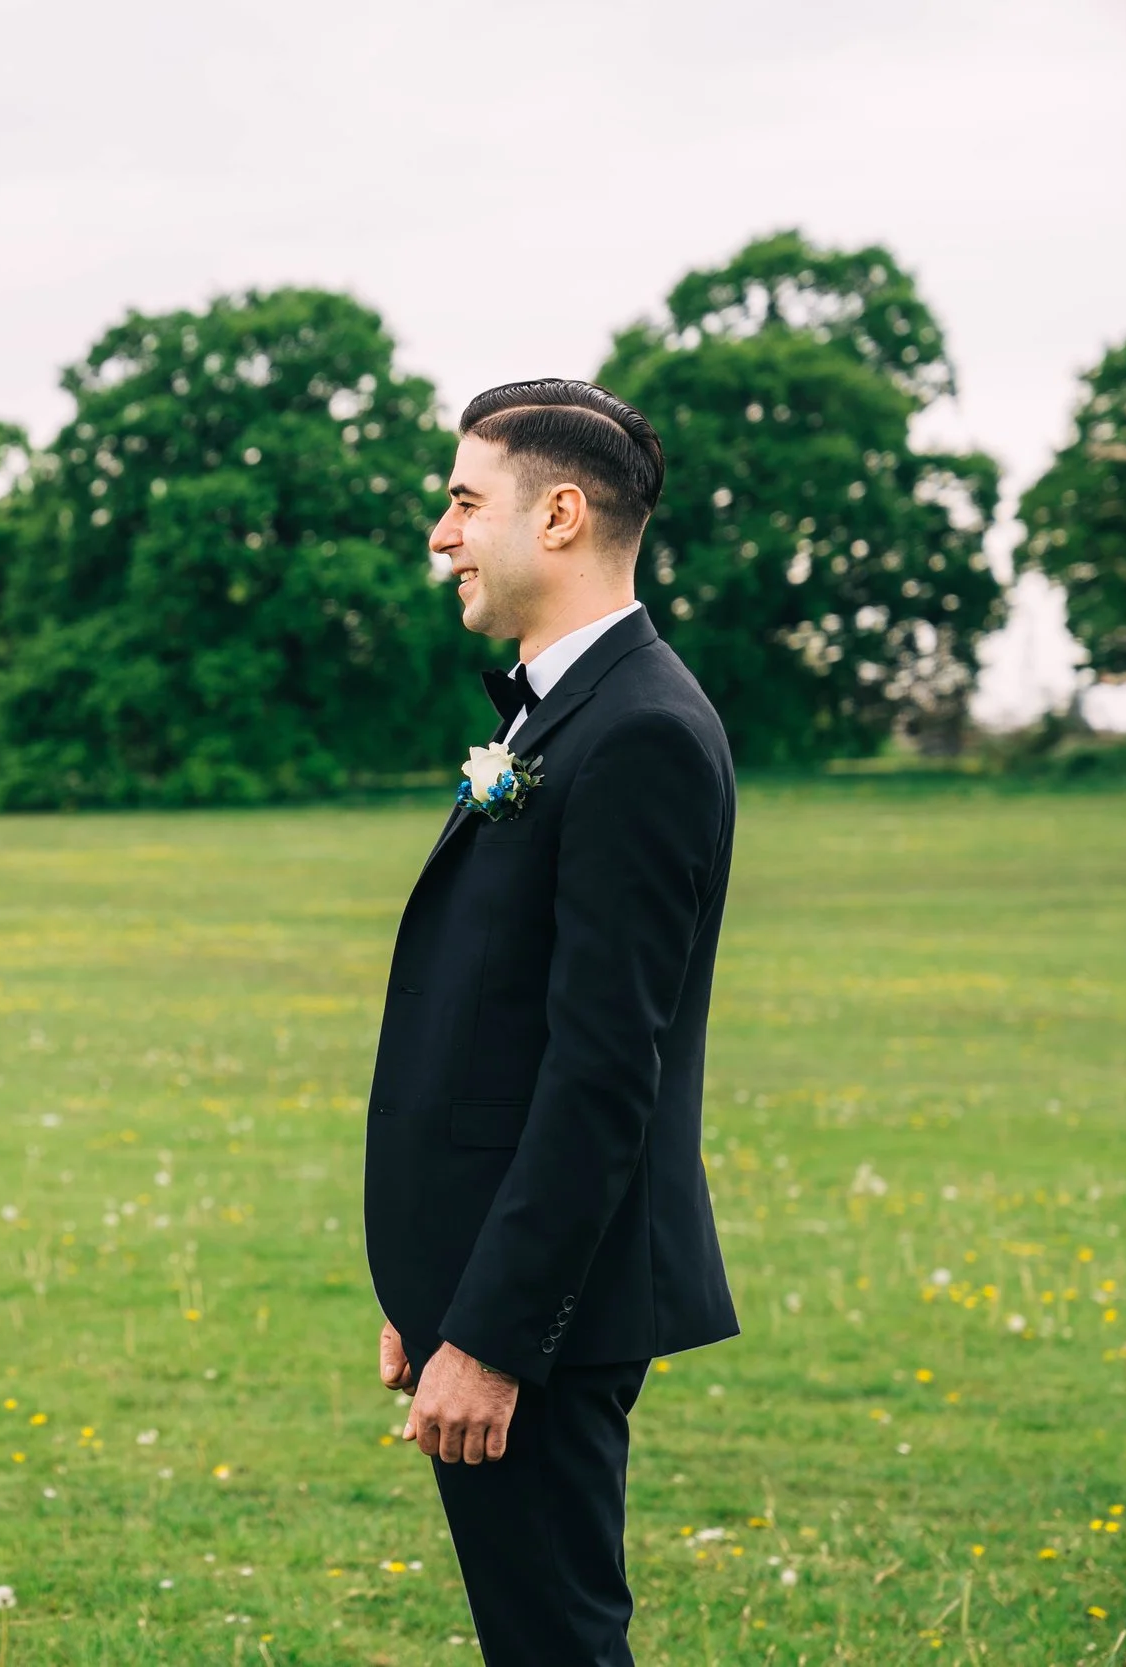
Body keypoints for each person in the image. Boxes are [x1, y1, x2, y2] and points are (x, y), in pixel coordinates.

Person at [363, 382, 740, 1665]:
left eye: (464, 500)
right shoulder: (560, 710)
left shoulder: (640, 730)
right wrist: (432, 1283)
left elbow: (600, 1072)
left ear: (560, 514)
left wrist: (493, 1331)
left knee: (557, 1642)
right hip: (492, 1287)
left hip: (547, 1315)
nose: (441, 533)